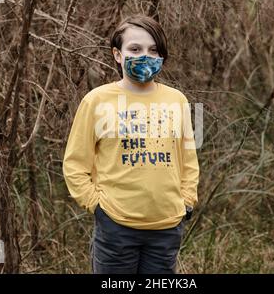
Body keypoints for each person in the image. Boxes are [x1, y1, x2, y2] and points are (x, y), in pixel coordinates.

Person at [63, 14, 200, 274]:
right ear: (117, 54)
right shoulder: (97, 101)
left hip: (166, 227)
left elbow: (188, 158)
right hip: (117, 226)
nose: (145, 56)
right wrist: (98, 207)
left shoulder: (177, 100)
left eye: (153, 50)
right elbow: (75, 164)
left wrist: (187, 202)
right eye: (135, 49)